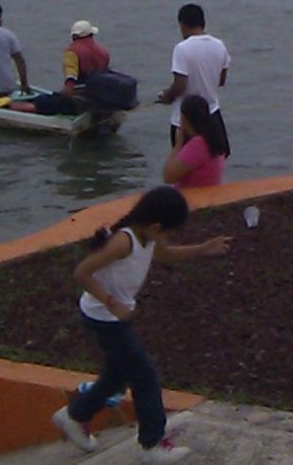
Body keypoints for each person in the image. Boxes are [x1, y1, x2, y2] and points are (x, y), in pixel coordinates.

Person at [52, 187, 229, 459]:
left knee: (116, 376)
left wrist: (202, 249)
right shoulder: (123, 242)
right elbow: (82, 273)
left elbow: (165, 254)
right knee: (144, 376)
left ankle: (75, 415)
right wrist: (112, 303)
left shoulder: (148, 236)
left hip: (112, 318)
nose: (167, 239)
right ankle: (152, 442)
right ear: (156, 225)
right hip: (104, 319)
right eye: (168, 233)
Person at [155, 5, 231, 158]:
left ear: (182, 24)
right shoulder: (219, 45)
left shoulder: (182, 49)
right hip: (212, 114)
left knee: (184, 166)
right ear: (203, 22)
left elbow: (180, 85)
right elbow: (221, 80)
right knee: (214, 160)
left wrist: (166, 96)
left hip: (185, 120)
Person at [160, 98, 226, 189]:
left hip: (193, 198)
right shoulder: (213, 140)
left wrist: (178, 144)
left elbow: (168, 177)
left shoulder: (198, 145)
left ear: (184, 119)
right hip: (208, 195)